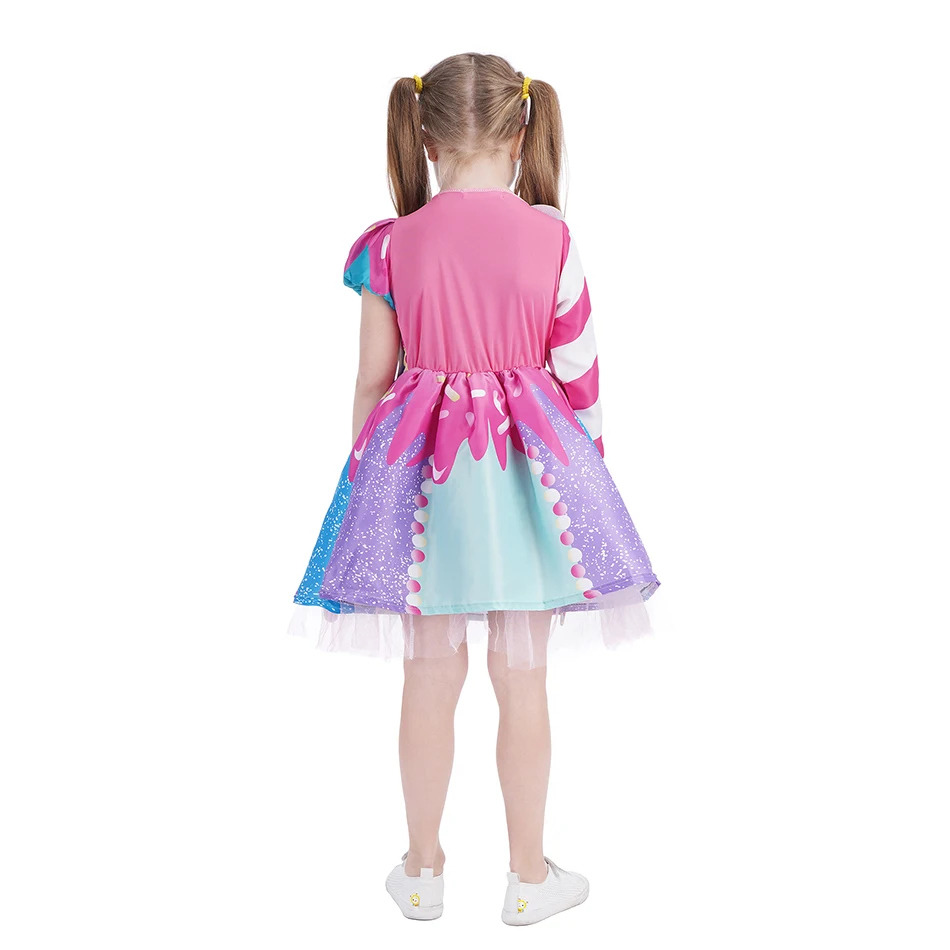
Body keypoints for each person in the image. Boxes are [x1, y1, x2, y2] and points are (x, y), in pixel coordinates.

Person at [287, 52, 661, 926]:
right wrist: (586, 487)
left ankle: (422, 873)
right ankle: (529, 879)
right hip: (531, 484)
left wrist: (372, 492)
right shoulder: (553, 238)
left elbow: (372, 382)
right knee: (522, 680)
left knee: (427, 677)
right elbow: (581, 380)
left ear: (424, 137)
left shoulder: (391, 245)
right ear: (521, 130)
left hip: (429, 488)